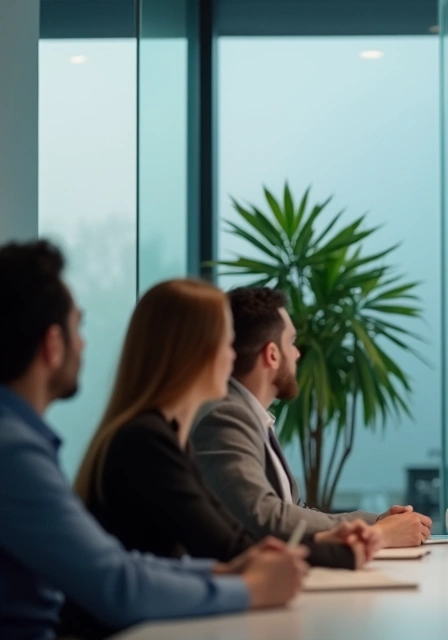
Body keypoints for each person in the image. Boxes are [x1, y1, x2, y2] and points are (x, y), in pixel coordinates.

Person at [0, 240, 306, 640]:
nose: (84, 343)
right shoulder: (15, 452)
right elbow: (118, 583)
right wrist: (248, 586)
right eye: (79, 327)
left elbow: (125, 564)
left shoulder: (22, 442)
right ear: (52, 345)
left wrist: (221, 572)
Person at [72, 279, 380, 579]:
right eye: (224, 342)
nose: (233, 356)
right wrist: (349, 551)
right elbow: (230, 549)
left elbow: (232, 540)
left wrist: (332, 542)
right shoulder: (147, 441)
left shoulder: (158, 435)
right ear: (193, 353)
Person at [192, 286, 431, 547]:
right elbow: (265, 517)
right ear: (272, 354)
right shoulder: (226, 417)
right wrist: (377, 535)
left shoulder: (251, 416)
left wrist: (375, 523)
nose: (297, 354)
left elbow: (294, 510)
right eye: (291, 343)